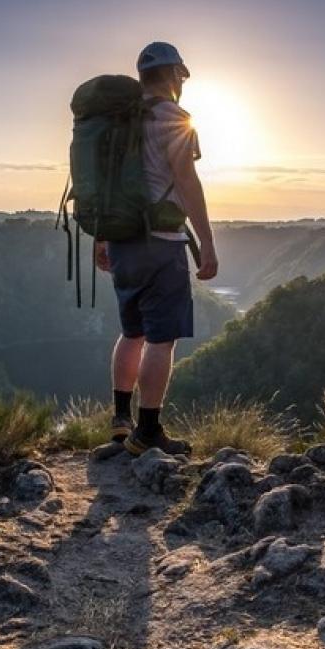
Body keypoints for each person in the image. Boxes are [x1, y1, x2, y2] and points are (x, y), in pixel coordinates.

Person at [96, 41, 219, 455]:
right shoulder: (173, 118)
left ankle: (120, 418)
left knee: (131, 332)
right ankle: (148, 431)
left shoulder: (117, 121)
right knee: (161, 339)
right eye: (180, 76)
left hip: (121, 239)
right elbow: (188, 183)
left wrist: (101, 237)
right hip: (161, 244)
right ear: (173, 75)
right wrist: (207, 241)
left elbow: (106, 184)